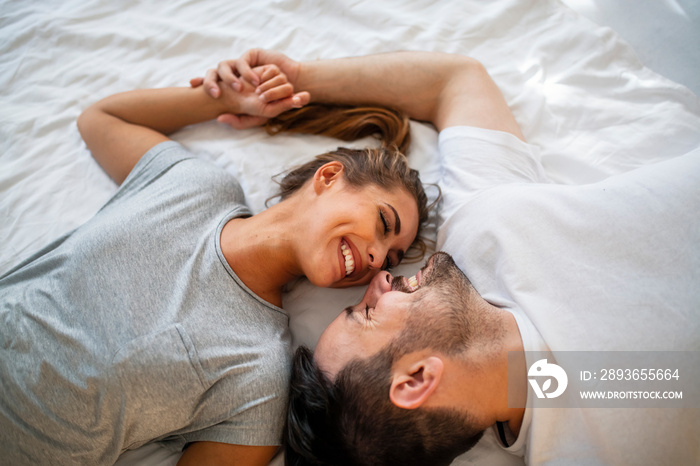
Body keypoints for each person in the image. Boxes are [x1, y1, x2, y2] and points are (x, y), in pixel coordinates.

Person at [201, 50, 700, 465]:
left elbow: (455, 81)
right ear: (418, 379)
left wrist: (290, 83)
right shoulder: (596, 407)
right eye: (368, 310)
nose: (379, 276)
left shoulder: (473, 238)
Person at [0, 63, 431, 465]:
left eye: (390, 258)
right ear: (329, 177)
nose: (376, 258)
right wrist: (224, 101)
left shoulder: (259, 376)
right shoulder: (195, 186)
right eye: (383, 222)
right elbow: (99, 118)